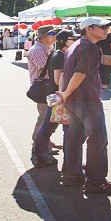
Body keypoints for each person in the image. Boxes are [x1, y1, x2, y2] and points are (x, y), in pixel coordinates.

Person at [56, 17, 111, 194]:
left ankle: (73, 175)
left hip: (74, 101)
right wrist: (66, 93)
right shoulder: (90, 48)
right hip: (87, 100)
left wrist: (64, 94)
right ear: (89, 29)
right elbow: (79, 73)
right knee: (98, 139)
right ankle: (96, 181)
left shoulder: (75, 46)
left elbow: (67, 73)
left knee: (74, 139)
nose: (106, 30)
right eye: (102, 27)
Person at [31, 29, 78, 168]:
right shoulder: (59, 55)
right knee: (48, 126)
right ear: (63, 41)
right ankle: (43, 155)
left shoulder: (62, 53)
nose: (75, 41)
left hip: (56, 95)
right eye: (72, 38)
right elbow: (58, 79)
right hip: (57, 95)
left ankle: (43, 155)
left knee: (49, 126)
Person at [27, 25, 57, 148]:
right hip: (44, 87)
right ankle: (38, 143)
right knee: (44, 116)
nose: (54, 36)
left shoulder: (46, 48)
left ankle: (45, 140)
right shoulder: (38, 50)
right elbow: (46, 68)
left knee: (51, 116)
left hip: (49, 86)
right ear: (43, 37)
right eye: (52, 34)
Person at [96, 25, 111, 90]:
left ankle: (98, 82)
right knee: (106, 69)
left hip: (98, 54)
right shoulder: (109, 36)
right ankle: (104, 83)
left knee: (98, 68)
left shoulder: (97, 36)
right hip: (107, 53)